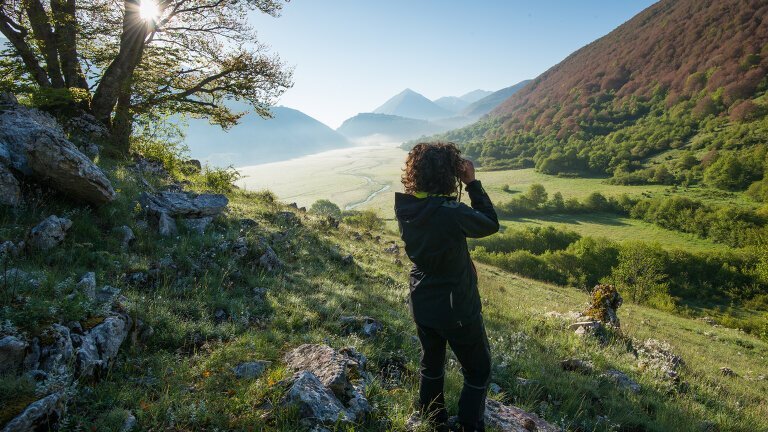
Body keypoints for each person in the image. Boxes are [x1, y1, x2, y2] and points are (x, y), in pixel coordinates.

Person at [394, 142, 499, 432]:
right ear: (448, 176)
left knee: (432, 365)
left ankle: (433, 420)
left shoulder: (407, 207)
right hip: (457, 308)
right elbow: (490, 223)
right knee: (478, 370)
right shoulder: (450, 212)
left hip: (423, 300)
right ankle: (469, 425)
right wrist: (473, 183)